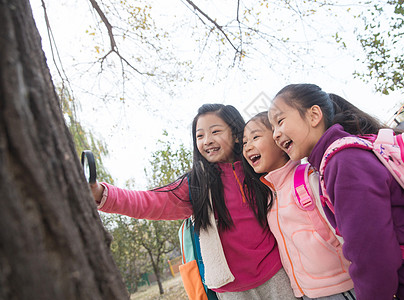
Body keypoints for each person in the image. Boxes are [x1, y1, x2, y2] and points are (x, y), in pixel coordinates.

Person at [90, 103, 297, 300]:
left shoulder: (258, 168)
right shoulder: (196, 184)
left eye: (215, 132)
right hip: (231, 288)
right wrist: (102, 193)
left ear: (235, 135)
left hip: (275, 273)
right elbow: (151, 201)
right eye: (200, 135)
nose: (207, 140)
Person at [268, 83, 404, 300]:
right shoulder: (341, 156)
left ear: (314, 115)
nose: (275, 135)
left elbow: (372, 257)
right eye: (272, 128)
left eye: (280, 121)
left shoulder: (344, 161)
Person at [242, 111, 355, 299]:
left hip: (341, 287)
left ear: (279, 138)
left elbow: (346, 232)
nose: (247, 147)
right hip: (306, 293)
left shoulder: (307, 177)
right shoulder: (270, 195)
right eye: (245, 142)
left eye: (255, 137)